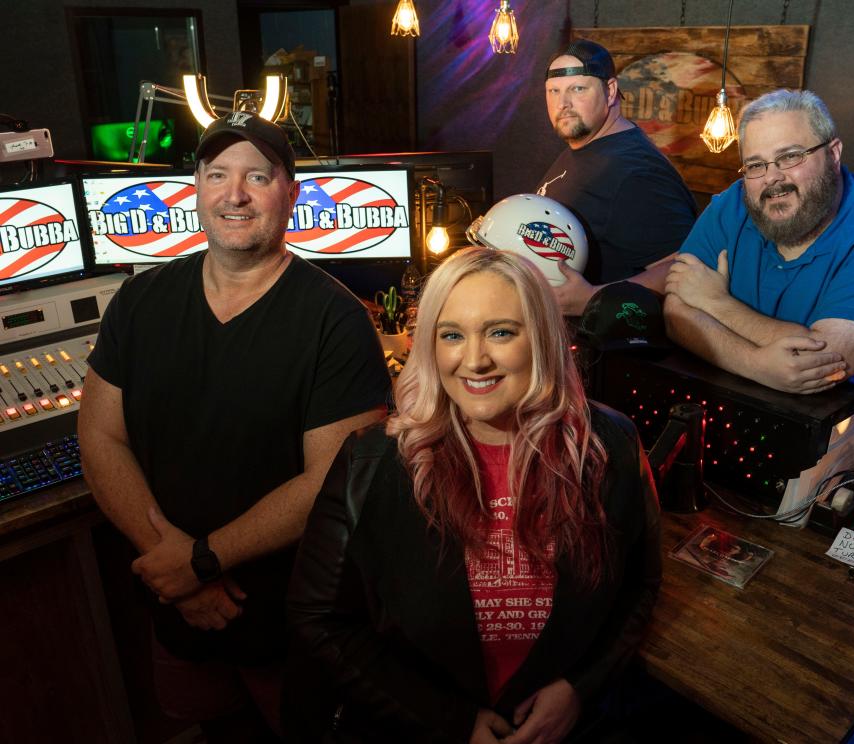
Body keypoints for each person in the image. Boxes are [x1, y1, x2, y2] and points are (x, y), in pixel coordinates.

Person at [77, 112, 390, 740]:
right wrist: (174, 569)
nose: (234, 194)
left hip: (290, 620)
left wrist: (200, 563)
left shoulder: (335, 319)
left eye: (257, 176)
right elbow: (100, 435)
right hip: (177, 606)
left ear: (292, 194)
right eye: (216, 174)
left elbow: (332, 481)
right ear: (195, 187)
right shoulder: (140, 302)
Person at [285, 247, 662, 743]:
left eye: (501, 332)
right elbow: (319, 619)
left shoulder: (610, 446)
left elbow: (638, 585)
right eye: (452, 335)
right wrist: (450, 720)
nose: (475, 359)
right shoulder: (374, 461)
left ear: (543, 339)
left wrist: (579, 688)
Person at [664, 89, 854, 478]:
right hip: (738, 441)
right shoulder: (731, 205)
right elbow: (676, 310)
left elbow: (819, 364)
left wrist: (717, 304)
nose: (772, 178)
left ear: (834, 152)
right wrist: (759, 364)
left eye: (790, 157)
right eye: (755, 165)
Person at [538, 39, 697, 315]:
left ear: (610, 91)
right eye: (554, 91)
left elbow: (685, 267)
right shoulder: (586, 145)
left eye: (577, 89)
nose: (563, 103)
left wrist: (594, 298)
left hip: (603, 349)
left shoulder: (636, 172)